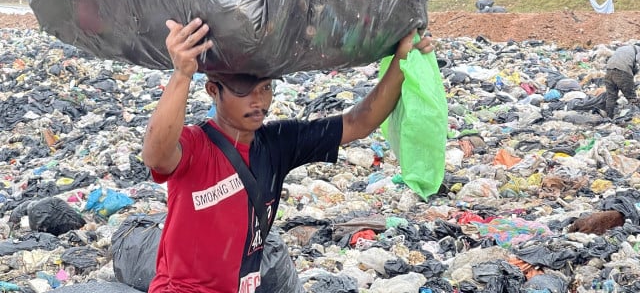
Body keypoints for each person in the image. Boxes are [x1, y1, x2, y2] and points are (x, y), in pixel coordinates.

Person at [141, 17, 435, 293]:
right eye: (245, 91)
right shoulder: (197, 146)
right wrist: (181, 74)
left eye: (266, 87)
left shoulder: (276, 144)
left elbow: (357, 123)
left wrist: (403, 59)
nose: (259, 100)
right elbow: (156, 156)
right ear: (212, 90)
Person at [604, 43, 640, 118]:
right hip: (622, 72)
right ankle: (636, 117)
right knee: (631, 97)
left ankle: (608, 118)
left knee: (611, 97)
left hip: (609, 71)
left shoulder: (622, 48)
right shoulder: (638, 50)